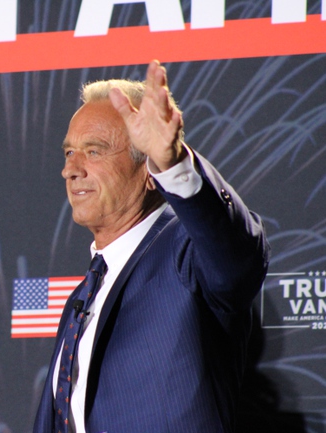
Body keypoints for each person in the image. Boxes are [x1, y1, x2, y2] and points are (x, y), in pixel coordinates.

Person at [33, 60, 270, 432]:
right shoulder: (85, 292)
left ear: (146, 169)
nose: (71, 169)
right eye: (69, 153)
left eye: (93, 152)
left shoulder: (185, 251)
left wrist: (173, 163)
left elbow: (236, 260)